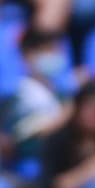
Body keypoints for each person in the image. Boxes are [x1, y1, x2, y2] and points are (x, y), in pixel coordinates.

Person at [3, 27, 72, 164]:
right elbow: (20, 135)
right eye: (47, 51)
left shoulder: (62, 93)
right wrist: (66, 115)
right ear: (27, 56)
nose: (53, 56)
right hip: (26, 167)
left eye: (56, 51)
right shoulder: (17, 92)